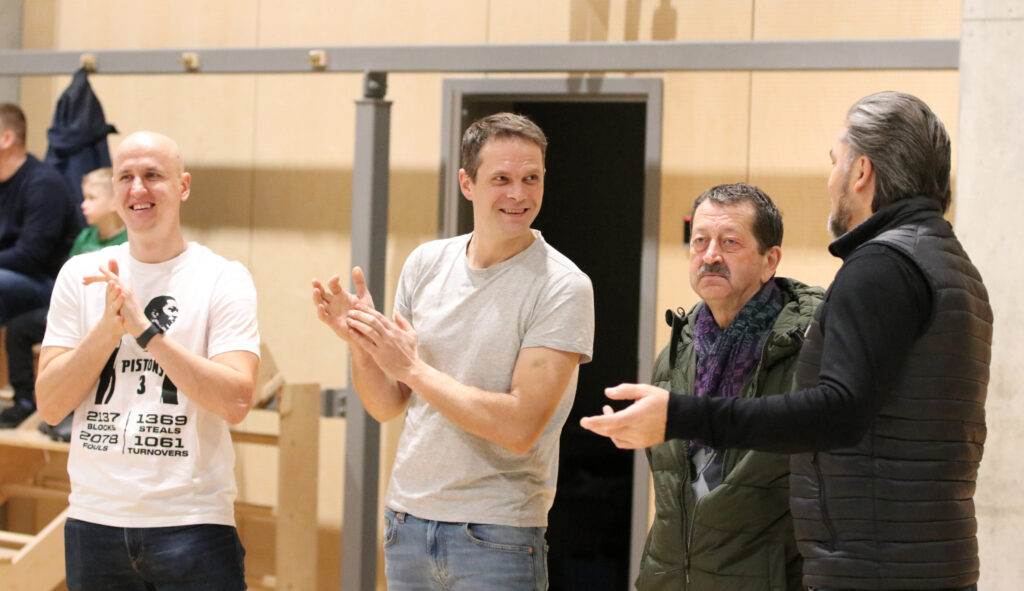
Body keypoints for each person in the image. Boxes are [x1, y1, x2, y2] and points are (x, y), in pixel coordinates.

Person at [582, 91, 992, 591]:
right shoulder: (949, 263)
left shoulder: (880, 266)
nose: (830, 180)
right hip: (920, 559)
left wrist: (678, 415)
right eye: (700, 241)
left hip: (873, 566)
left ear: (861, 171)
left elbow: (837, 413)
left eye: (835, 162)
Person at [313, 112, 594, 590]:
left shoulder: (563, 287)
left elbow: (520, 428)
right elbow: (386, 405)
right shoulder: (426, 263)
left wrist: (412, 368)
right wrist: (362, 343)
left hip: (497, 533)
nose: (519, 194)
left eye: (531, 179)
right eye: (501, 179)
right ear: (467, 183)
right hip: (406, 522)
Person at [36, 131, 260, 590]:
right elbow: (51, 405)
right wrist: (107, 331)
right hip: (94, 522)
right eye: (126, 177)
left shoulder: (223, 278)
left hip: (192, 523)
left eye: (153, 175)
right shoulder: (80, 274)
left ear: (183, 186)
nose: (138, 189)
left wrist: (145, 331)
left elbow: (237, 400)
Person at [633, 183, 821, 591]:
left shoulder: (807, 351)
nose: (710, 256)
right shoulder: (674, 355)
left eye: (730, 242)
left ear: (770, 261)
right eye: (700, 241)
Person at [2, 167, 127, 433]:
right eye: (83, 197)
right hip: (73, 313)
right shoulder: (84, 237)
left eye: (91, 198)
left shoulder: (127, 242)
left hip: (105, 321)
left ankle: (74, 411)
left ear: (114, 203)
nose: (83, 205)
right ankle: (25, 400)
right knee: (18, 329)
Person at [0, 103, 82, 427]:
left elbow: (30, 257)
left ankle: (29, 399)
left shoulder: (43, 184)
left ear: (7, 139)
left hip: (48, 285)